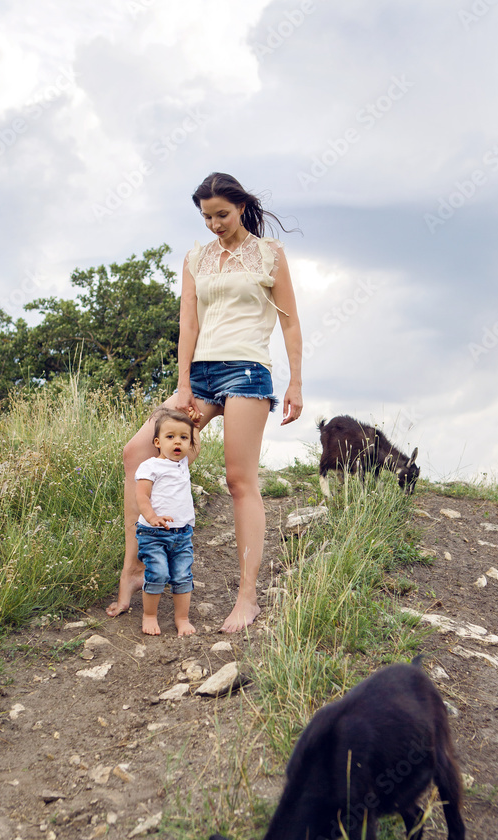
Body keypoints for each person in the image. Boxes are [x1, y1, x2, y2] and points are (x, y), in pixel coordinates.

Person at [106, 171, 303, 631]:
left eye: (222, 214)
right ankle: (136, 567)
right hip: (201, 374)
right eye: (206, 216)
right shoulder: (196, 258)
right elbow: (188, 325)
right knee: (136, 451)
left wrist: (295, 383)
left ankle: (247, 596)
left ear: (240, 207)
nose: (214, 224)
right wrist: (182, 384)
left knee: (239, 480)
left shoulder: (270, 255)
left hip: (248, 371)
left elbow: (290, 323)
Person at [135, 407, 197, 637]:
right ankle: (149, 615)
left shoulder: (183, 464)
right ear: (157, 442)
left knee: (182, 575)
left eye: (183, 438)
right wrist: (152, 517)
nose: (177, 442)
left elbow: (193, 436)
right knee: (158, 573)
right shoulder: (150, 466)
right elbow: (142, 496)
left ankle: (182, 618)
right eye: (170, 437)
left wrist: (195, 423)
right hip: (153, 532)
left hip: (182, 534)